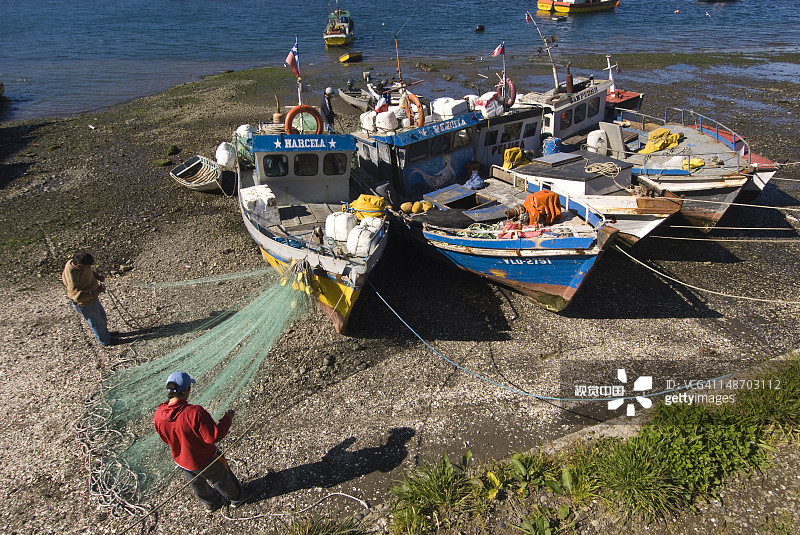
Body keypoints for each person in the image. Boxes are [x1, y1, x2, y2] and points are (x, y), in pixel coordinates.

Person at [154, 372, 248, 511]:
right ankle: (237, 498)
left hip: (182, 460)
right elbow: (214, 436)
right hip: (206, 459)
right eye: (189, 387)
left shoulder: (159, 414)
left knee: (197, 483)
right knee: (221, 478)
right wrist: (228, 418)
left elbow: (165, 438)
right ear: (185, 390)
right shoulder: (194, 413)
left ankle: (211, 502)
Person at [62, 252, 115, 347]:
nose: (89, 268)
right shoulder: (72, 279)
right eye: (87, 266)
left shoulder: (76, 263)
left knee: (102, 317)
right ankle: (105, 341)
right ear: (79, 266)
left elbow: (88, 271)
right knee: (96, 322)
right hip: (85, 303)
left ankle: (106, 334)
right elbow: (78, 296)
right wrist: (97, 291)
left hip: (92, 297)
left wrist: (97, 276)